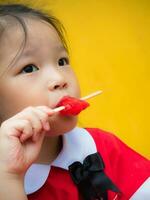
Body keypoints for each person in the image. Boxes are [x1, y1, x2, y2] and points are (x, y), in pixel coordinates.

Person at [0, 3, 149, 200]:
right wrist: (8, 178)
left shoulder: (101, 147)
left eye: (62, 61)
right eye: (29, 68)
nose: (60, 79)